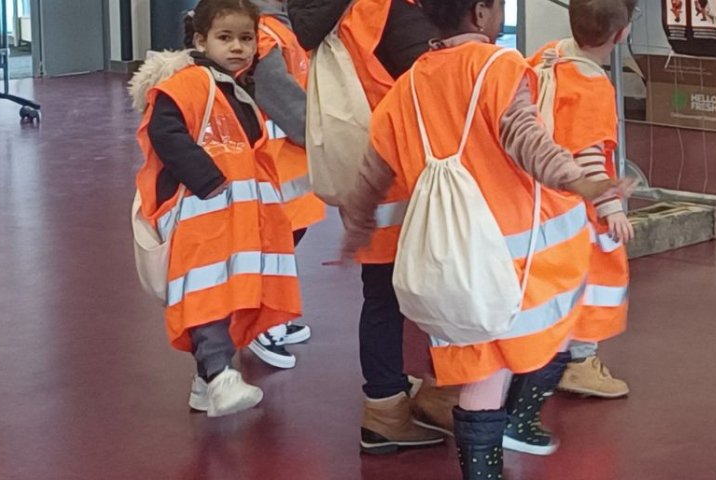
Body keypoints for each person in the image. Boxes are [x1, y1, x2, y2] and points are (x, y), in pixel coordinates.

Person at [338, 0, 630, 476]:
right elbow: (526, 138)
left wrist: (356, 228)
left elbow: (372, 171)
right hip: (515, 266)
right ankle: (518, 428)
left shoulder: (409, 84)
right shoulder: (498, 66)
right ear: (480, 13)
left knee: (480, 373)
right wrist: (580, 181)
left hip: (452, 267)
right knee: (542, 338)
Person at [286, 0, 453, 454]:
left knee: (380, 295)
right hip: (409, 175)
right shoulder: (386, 10)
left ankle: (386, 402)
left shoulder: (332, 11)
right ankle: (426, 397)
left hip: (367, 175)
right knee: (439, 288)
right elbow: (439, 79)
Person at [130, 0, 301, 417]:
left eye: (246, 39)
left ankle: (204, 384)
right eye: (226, 38)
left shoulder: (235, 86)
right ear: (200, 39)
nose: (238, 47)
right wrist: (208, 181)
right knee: (207, 300)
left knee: (221, 298)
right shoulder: (189, 84)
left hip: (229, 223)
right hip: (200, 221)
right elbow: (165, 134)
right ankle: (221, 377)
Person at [527, 0, 637, 400]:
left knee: (552, 282)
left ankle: (546, 355)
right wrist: (612, 209)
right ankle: (581, 362)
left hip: (541, 196)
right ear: (621, 34)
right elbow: (589, 154)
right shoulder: (594, 87)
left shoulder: (547, 56)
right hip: (579, 207)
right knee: (593, 280)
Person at [244, 0, 321, 369]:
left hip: (291, 165)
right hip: (276, 163)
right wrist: (318, 132)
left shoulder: (279, 29)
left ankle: (276, 315)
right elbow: (277, 94)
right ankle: (263, 322)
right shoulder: (264, 34)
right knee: (274, 246)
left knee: (286, 243)